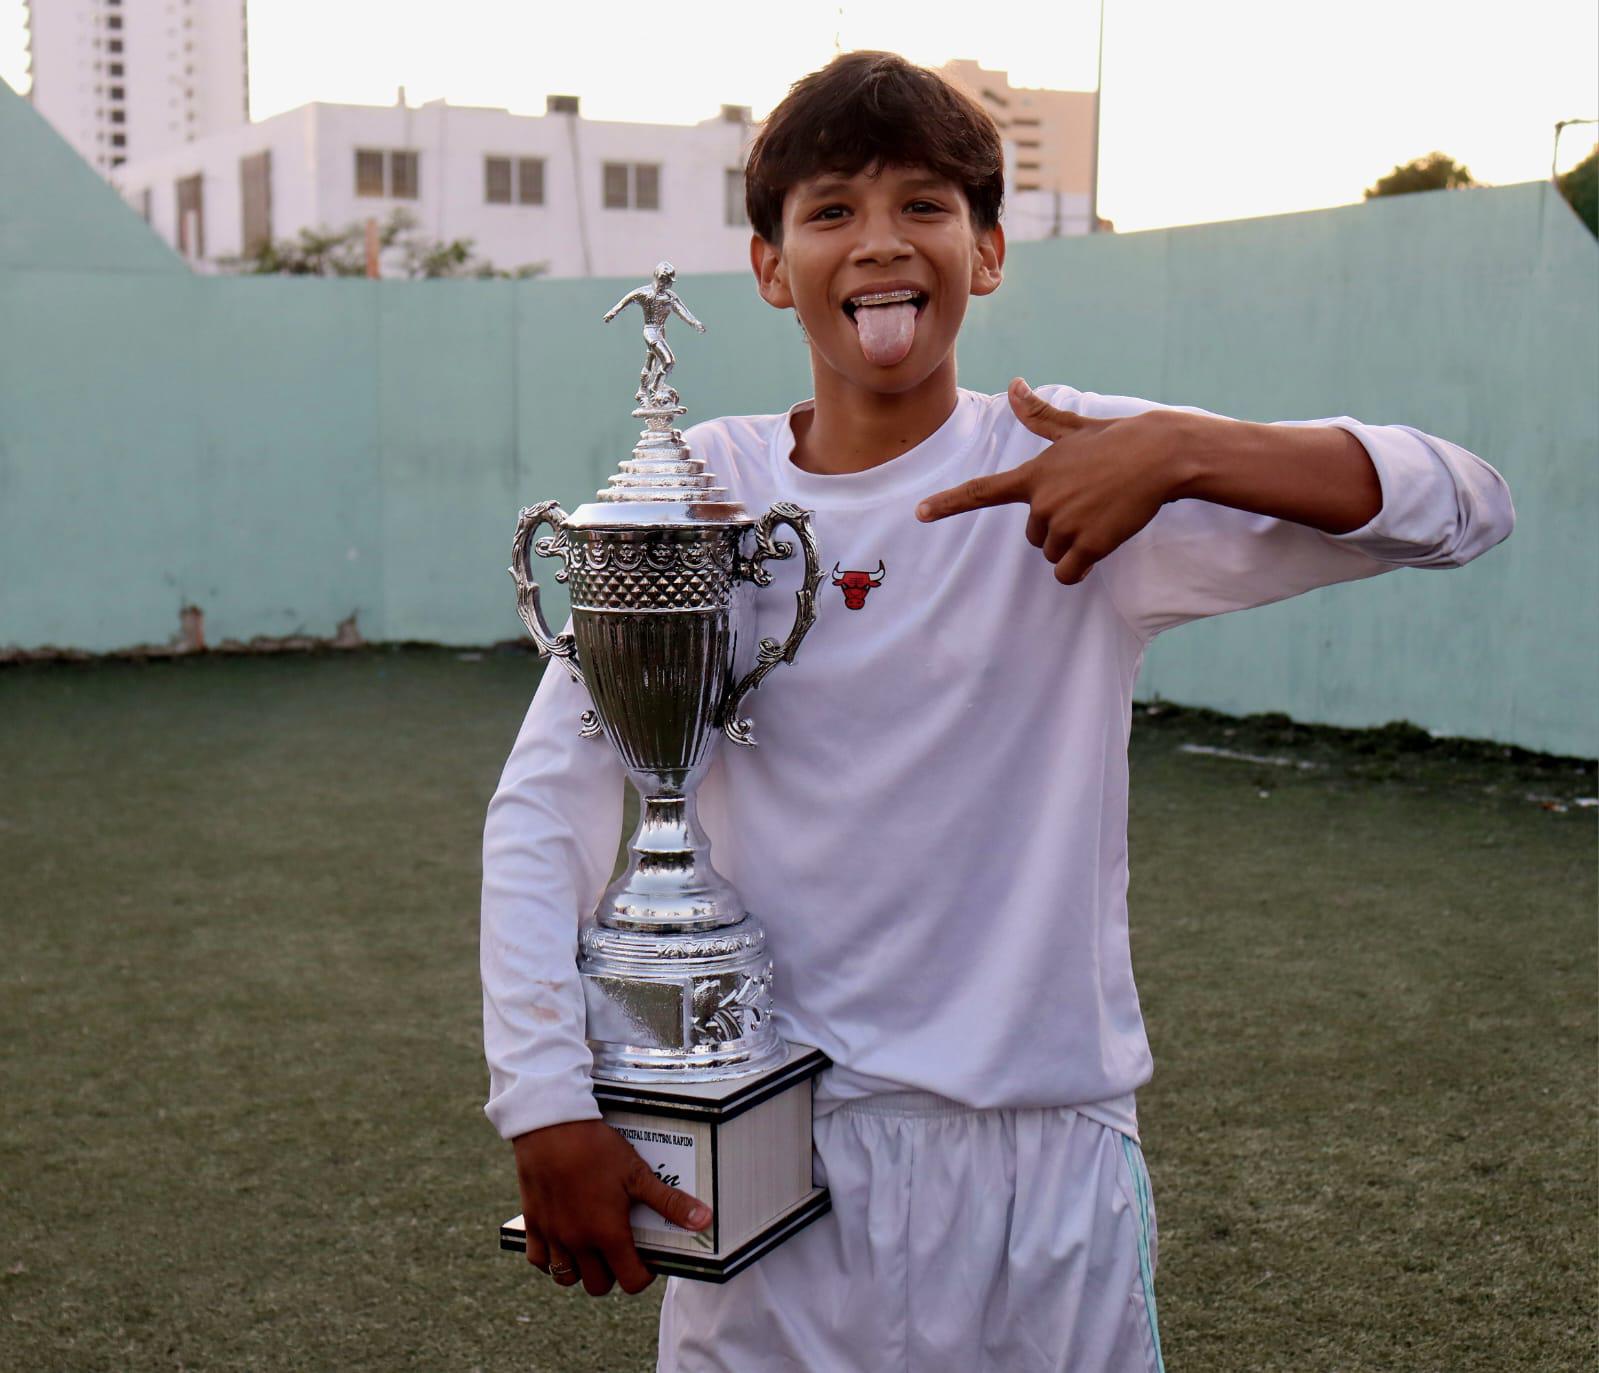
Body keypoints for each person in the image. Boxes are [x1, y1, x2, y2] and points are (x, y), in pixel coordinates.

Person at [481, 51, 1514, 1373]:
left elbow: (1464, 505)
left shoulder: (1081, 462)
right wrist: (546, 1100)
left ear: (989, 252)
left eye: (924, 206)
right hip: (777, 1152)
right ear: (769, 265)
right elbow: (544, 810)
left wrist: (1186, 447)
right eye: (832, 210)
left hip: (1044, 1155)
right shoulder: (701, 496)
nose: (879, 245)